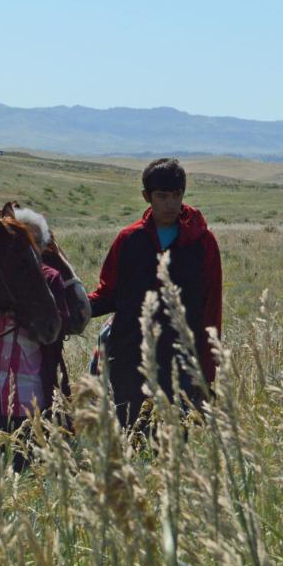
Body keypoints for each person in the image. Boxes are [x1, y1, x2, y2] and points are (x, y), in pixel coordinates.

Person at [89, 158, 223, 424]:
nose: (170, 204)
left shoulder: (202, 242)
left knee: (174, 440)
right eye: (162, 196)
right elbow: (108, 293)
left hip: (181, 361)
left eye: (176, 195)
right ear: (146, 197)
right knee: (127, 431)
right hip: (129, 357)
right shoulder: (128, 239)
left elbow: (212, 307)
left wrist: (206, 370)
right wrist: (75, 307)